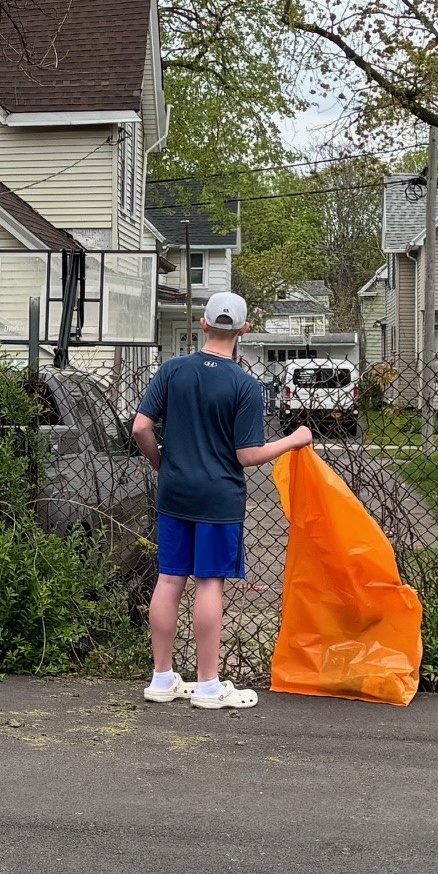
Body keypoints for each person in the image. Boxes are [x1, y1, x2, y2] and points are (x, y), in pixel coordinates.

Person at [131, 289, 314, 709]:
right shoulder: (244, 385)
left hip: (174, 492)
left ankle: (161, 679)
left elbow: (142, 428)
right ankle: (209, 686)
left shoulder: (172, 371)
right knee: (209, 582)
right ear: (245, 330)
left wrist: (162, 465)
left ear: (203, 325)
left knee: (169, 579)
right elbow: (247, 455)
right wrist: (293, 439)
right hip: (218, 498)